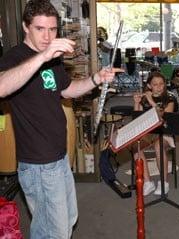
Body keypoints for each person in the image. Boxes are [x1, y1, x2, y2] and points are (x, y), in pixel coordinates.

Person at [0, 1, 122, 238]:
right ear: (26, 27)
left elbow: (67, 90)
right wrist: (44, 55)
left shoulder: (52, 60)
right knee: (52, 232)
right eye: (40, 29)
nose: (47, 37)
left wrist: (96, 78)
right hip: (39, 163)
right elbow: (2, 87)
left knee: (66, 222)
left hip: (58, 157)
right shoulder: (16, 57)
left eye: (53, 30)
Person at [133, 71, 177, 196]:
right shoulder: (144, 98)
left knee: (159, 146)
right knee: (135, 146)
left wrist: (150, 100)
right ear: (149, 86)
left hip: (165, 132)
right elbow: (137, 119)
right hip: (148, 132)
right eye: (155, 84)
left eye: (161, 84)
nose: (158, 87)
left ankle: (164, 182)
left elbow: (163, 117)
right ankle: (148, 182)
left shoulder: (170, 98)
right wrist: (137, 102)